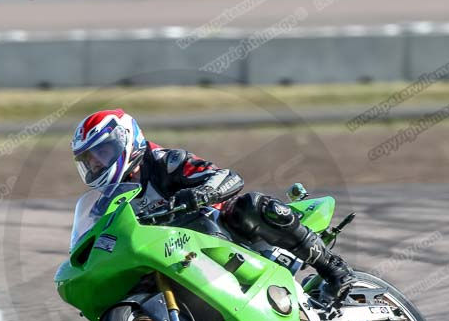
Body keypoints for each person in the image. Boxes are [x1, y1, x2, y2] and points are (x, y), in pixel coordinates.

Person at [71, 109, 356, 300]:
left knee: (252, 205)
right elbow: (99, 237)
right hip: (174, 255)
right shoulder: (106, 201)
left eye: (102, 152)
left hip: (222, 232)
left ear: (125, 141)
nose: (96, 163)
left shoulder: (165, 162)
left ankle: (335, 270)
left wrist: (199, 194)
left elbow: (228, 178)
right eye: (90, 160)